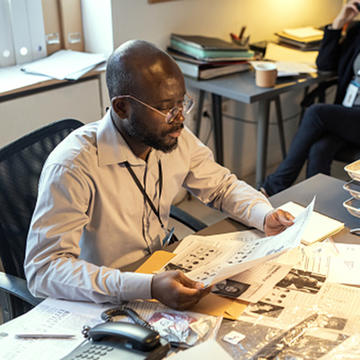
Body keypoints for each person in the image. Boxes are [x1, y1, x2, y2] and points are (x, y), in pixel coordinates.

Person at [25, 40, 294, 310]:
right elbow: (44, 270)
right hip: (101, 297)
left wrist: (264, 215)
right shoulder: (73, 165)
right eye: (167, 108)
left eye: (182, 103)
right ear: (122, 108)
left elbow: (221, 187)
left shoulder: (172, 136)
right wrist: (148, 286)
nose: (180, 119)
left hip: (161, 269)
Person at [262, 0, 360, 196]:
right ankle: (316, 206)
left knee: (317, 112)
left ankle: (274, 186)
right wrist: (337, 25)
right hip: (350, 116)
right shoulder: (357, 32)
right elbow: (325, 64)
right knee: (319, 149)